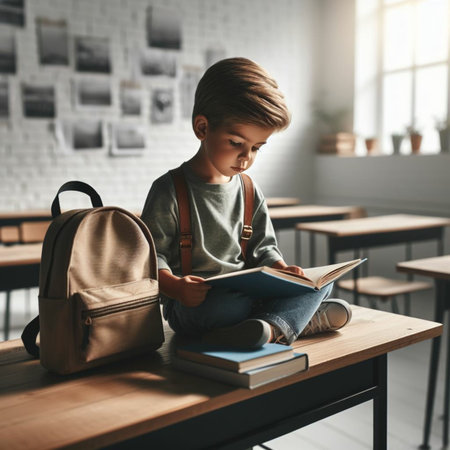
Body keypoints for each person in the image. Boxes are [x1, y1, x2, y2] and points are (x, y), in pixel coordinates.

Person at [141, 57, 351, 348]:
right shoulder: (169, 190)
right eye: (236, 143)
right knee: (227, 305)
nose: (246, 158)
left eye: (256, 148)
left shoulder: (250, 190)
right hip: (196, 304)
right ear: (202, 128)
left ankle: (265, 327)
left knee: (321, 284)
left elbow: (263, 248)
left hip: (246, 293)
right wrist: (175, 287)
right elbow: (151, 258)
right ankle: (290, 323)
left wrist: (280, 268)